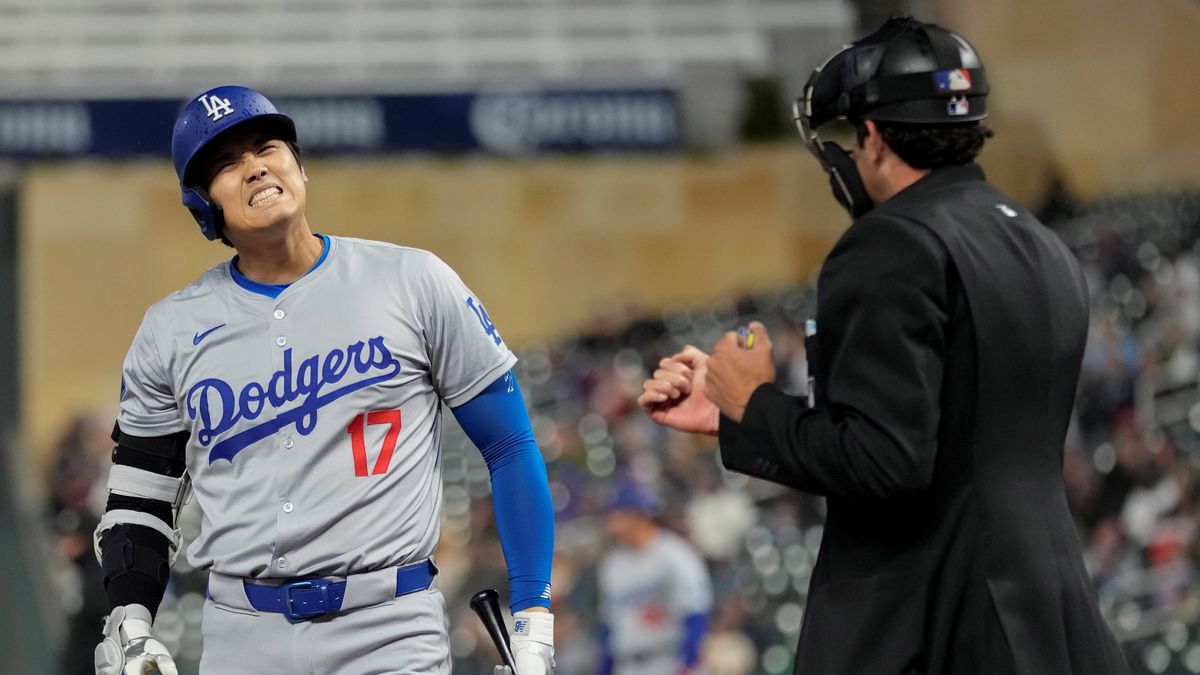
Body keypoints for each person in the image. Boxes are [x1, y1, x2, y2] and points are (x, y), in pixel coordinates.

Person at [638, 18, 1130, 675]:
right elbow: (949, 435)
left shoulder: (891, 241)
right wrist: (734, 412)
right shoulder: (1039, 240)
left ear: (870, 135)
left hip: (943, 629)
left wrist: (755, 404)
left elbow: (887, 463)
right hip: (1059, 620)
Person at [93, 85, 556, 675]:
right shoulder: (170, 330)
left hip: (390, 628)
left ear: (300, 167)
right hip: (241, 636)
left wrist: (534, 620)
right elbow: (139, 498)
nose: (255, 165)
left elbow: (510, 445)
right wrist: (130, 621)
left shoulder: (412, 281)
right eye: (226, 164)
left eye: (267, 146)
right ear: (203, 207)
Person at [596, 483, 711, 675]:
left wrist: (689, 663)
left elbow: (697, 610)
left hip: (669, 660)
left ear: (636, 515)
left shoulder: (674, 554)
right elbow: (609, 628)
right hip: (627, 665)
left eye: (616, 513)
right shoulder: (612, 564)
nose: (611, 521)